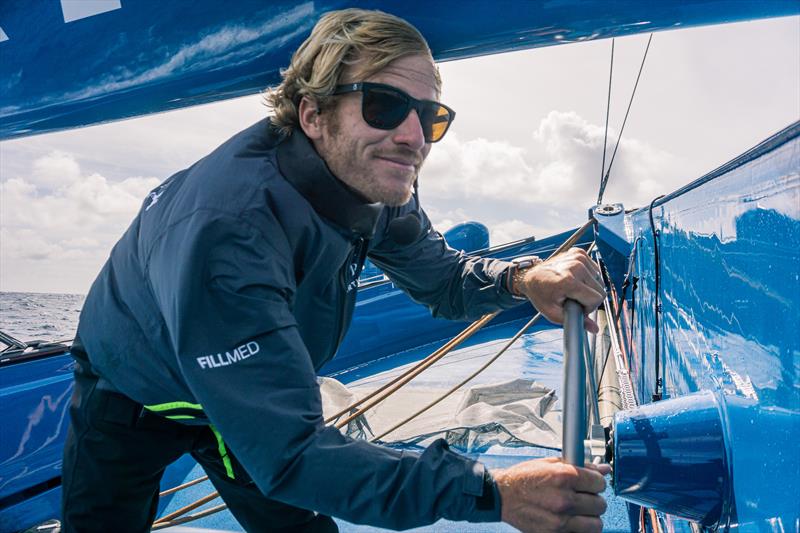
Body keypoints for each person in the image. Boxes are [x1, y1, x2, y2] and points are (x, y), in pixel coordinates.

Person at [61, 8, 609, 533]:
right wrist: (493, 493)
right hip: (133, 389)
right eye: (384, 106)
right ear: (312, 114)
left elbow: (442, 280)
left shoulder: (372, 181)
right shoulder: (230, 233)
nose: (414, 137)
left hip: (246, 390)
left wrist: (521, 278)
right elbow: (293, 457)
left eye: (429, 116)